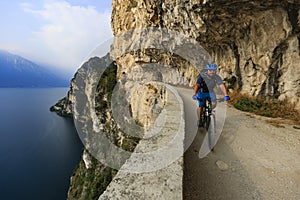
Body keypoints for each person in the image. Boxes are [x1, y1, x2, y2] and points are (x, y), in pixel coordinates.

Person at [192, 63, 230, 127]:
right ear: (207, 70)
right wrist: (194, 94)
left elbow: (222, 86)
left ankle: (209, 112)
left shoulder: (216, 77)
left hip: (210, 92)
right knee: (201, 106)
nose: (212, 72)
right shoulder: (202, 77)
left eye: (213, 70)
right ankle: (200, 120)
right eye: (210, 70)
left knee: (214, 103)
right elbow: (197, 86)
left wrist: (226, 95)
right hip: (202, 92)